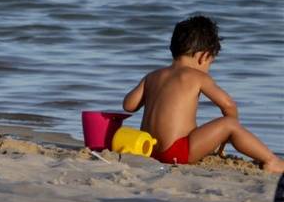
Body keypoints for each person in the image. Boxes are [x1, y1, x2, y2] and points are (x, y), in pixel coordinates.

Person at [122, 15, 284, 173]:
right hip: (176, 152)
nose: (208, 68)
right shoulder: (198, 76)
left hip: (148, 149)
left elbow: (128, 105)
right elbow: (228, 104)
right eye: (210, 63)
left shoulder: (153, 75)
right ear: (203, 56)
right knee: (229, 124)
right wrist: (229, 132)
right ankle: (272, 161)